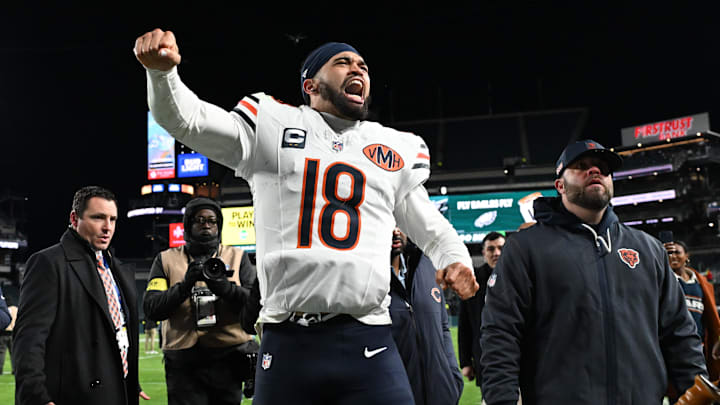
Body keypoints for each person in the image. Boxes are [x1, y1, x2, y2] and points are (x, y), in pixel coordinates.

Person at [134, 30, 478, 405]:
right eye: (342, 62)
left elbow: (427, 223)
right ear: (310, 84)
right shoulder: (273, 124)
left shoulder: (392, 145)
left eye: (362, 64)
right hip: (288, 340)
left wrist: (454, 258)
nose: (357, 69)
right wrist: (161, 74)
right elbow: (190, 122)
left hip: (368, 337)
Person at [480, 140, 707, 404]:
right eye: (582, 166)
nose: (595, 171)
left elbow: (679, 333)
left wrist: (695, 392)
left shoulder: (649, 249)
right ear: (560, 185)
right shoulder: (525, 248)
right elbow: (501, 333)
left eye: (603, 168)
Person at [13, 186, 146, 405]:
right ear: (74, 219)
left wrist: (131, 381)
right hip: (74, 394)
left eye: (113, 219)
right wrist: (36, 397)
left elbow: (119, 330)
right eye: (98, 218)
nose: (107, 228)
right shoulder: (48, 263)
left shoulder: (116, 267)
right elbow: (29, 339)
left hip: (117, 390)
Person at [143, 197, 258, 405]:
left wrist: (225, 288)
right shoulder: (166, 259)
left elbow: (254, 305)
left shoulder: (238, 256)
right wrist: (184, 286)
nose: (206, 224)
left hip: (228, 360)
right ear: (188, 226)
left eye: (212, 221)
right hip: (183, 364)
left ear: (219, 226)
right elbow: (152, 308)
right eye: (199, 220)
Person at [388, 227, 463, 405]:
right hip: (394, 394)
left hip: (440, 393)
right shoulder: (366, 277)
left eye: (400, 222)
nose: (396, 230)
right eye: (389, 221)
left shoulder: (427, 264)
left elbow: (443, 325)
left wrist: (452, 375)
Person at [664, 240, 720, 382]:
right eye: (669, 253)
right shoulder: (664, 283)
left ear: (687, 256)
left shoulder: (702, 284)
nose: (673, 256)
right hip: (674, 348)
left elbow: (710, 319)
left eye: (677, 252)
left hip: (700, 348)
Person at [458, 232, 505, 390]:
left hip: (520, 358)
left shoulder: (520, 276)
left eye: (500, 248)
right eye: (491, 249)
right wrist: (465, 362)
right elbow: (464, 324)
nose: (496, 253)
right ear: (484, 253)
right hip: (486, 359)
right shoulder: (473, 280)